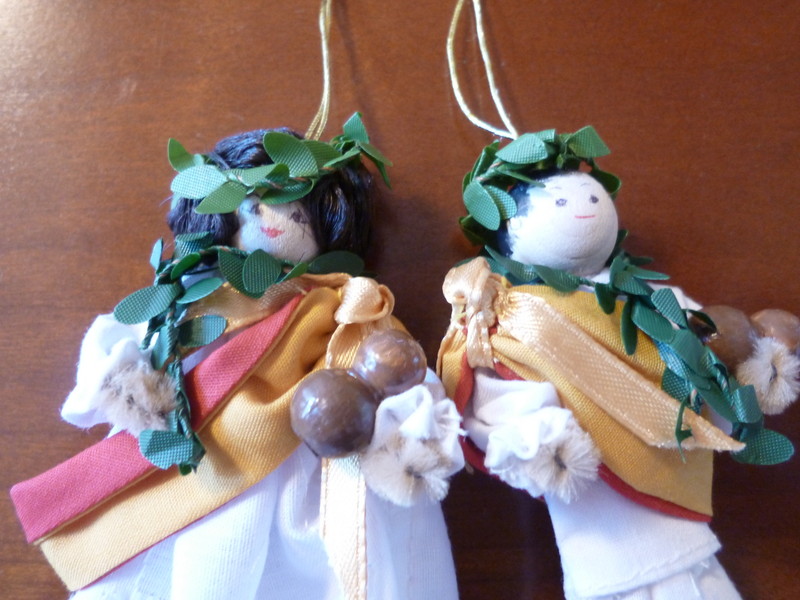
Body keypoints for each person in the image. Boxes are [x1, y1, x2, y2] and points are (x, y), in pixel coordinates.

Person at [13, 122, 463, 600]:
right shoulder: (201, 297)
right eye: (254, 205)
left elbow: (394, 365)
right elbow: (137, 331)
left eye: (298, 215)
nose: (272, 222)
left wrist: (408, 430)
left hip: (314, 461)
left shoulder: (352, 309)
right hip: (206, 458)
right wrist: (129, 375)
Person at [438, 129, 796, 600]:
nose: (583, 208)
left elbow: (699, 336)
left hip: (673, 457)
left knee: (693, 576)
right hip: (591, 489)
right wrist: (533, 434)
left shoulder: (641, 294)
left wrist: (750, 356)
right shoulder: (514, 312)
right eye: (560, 203)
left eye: (592, 196)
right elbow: (496, 386)